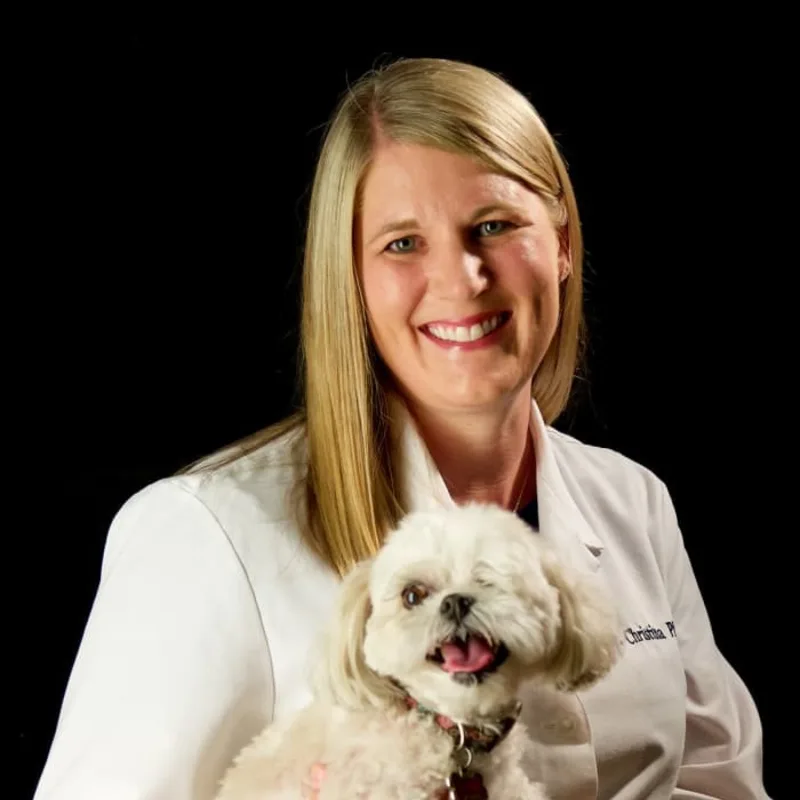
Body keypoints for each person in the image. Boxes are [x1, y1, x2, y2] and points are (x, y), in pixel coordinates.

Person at [34, 57, 768, 799]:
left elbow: (717, 782)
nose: (461, 279)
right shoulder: (203, 532)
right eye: (403, 243)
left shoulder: (634, 502)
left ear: (563, 242)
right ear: (348, 276)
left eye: (494, 225)